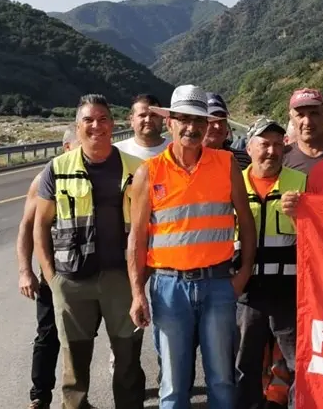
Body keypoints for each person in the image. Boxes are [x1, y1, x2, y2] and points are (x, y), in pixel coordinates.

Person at [126, 84, 258, 409]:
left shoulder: (226, 164)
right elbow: (137, 238)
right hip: (169, 288)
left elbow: (247, 221)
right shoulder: (149, 172)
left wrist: (241, 276)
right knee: (173, 385)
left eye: (199, 120)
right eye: (184, 119)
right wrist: (138, 293)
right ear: (169, 122)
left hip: (217, 285)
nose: (192, 127)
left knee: (222, 380)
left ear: (208, 124)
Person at [32, 94, 146, 409]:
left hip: (122, 279)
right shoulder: (57, 168)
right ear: (78, 127)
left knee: (128, 358)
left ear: (113, 124)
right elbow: (40, 225)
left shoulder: (137, 169)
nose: (97, 126)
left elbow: (150, 225)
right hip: (72, 281)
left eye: (103, 119)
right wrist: (52, 279)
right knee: (74, 364)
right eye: (89, 120)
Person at [235, 118, 305, 409]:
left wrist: (301, 215)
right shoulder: (232, 183)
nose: (271, 151)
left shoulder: (301, 183)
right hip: (246, 293)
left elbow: (317, 235)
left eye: (278, 144)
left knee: (298, 364)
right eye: (264, 144)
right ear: (249, 147)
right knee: (244, 363)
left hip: (287, 292)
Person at [17, 128, 77, 409]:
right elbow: (27, 227)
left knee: (80, 340)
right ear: (66, 146)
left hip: (89, 276)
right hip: (51, 277)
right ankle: (40, 395)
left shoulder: (97, 175)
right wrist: (25, 270)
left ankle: (78, 398)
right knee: (47, 335)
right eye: (79, 144)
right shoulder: (45, 178)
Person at [282, 88, 323, 173]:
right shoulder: (282, 158)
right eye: (300, 115)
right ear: (291, 119)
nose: (307, 122)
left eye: (314, 114)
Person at [203, 92, 252, 170]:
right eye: (211, 119)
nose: (218, 126)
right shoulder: (186, 160)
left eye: (222, 120)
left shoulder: (243, 160)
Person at [114, 94, 171, 160]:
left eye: (153, 115)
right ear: (132, 120)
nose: (148, 120)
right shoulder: (116, 152)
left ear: (162, 119)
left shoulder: (177, 150)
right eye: (142, 115)